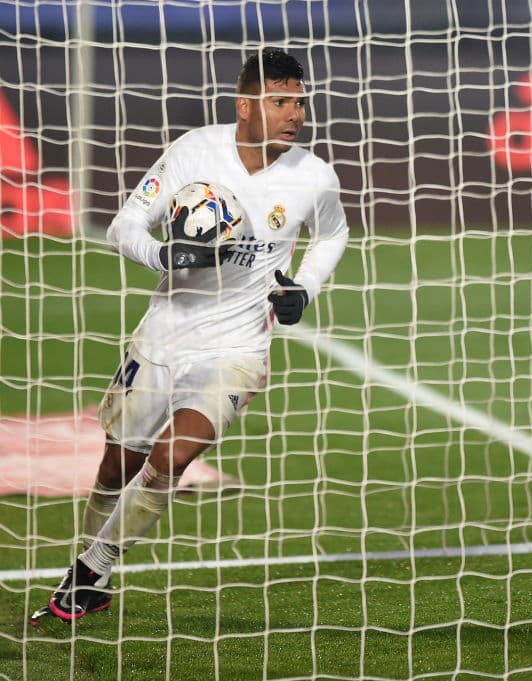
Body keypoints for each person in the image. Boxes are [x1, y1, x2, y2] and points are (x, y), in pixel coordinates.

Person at [30, 48, 349, 624]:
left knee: (172, 456)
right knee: (114, 466)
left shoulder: (314, 175)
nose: (295, 113)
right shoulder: (193, 151)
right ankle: (89, 562)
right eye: (281, 101)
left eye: (300, 101)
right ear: (245, 105)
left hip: (238, 348)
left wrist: (303, 289)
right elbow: (126, 223)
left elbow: (332, 235)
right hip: (164, 335)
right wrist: (161, 253)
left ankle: (93, 568)